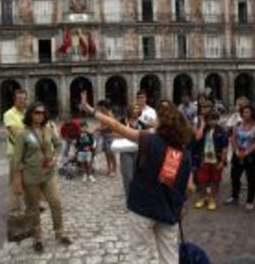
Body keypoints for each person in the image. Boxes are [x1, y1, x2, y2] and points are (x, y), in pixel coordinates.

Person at [80, 91, 193, 264]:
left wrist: (91, 110)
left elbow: (117, 127)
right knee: (169, 256)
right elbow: (189, 188)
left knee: (139, 255)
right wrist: (182, 204)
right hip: (169, 210)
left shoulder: (148, 139)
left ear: (162, 123)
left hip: (142, 207)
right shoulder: (183, 153)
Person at [13, 102, 72, 252]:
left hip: (48, 174)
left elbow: (58, 144)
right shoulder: (23, 134)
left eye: (42, 113)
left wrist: (54, 156)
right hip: (30, 176)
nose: (40, 115)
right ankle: (37, 237)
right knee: (33, 208)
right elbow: (17, 159)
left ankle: (59, 233)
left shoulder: (48, 129)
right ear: (30, 114)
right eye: (36, 113)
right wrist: (17, 182)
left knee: (55, 202)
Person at [226, 103, 255, 212]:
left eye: (247, 112)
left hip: (251, 156)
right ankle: (234, 196)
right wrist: (236, 150)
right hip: (238, 154)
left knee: (251, 179)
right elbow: (233, 137)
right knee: (234, 176)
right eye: (243, 112)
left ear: (252, 113)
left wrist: (247, 152)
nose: (245, 114)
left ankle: (249, 201)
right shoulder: (238, 124)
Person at [194, 111, 228, 211]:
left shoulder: (221, 130)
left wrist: (222, 161)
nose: (213, 121)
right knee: (202, 180)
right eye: (210, 119)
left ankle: (212, 199)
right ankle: (203, 197)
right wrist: (202, 125)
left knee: (215, 181)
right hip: (203, 159)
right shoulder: (204, 129)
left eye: (215, 119)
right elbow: (197, 138)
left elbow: (225, 147)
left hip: (216, 159)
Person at [3, 89, 28, 216]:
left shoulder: (27, 114)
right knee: (16, 182)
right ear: (15, 100)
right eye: (20, 99)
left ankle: (29, 207)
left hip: (29, 153)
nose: (23, 101)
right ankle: (15, 210)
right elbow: (16, 132)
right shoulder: (9, 114)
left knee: (29, 181)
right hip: (15, 153)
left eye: (24, 99)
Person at [119, 104, 146, 198]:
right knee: (128, 175)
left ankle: (138, 195)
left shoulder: (142, 124)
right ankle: (129, 197)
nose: (136, 110)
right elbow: (114, 133)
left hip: (139, 152)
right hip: (126, 151)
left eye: (138, 108)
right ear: (129, 110)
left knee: (139, 175)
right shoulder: (122, 121)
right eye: (134, 108)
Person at [96, 99, 117, 176]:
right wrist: (99, 129)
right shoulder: (103, 114)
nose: (99, 109)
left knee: (111, 153)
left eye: (99, 107)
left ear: (103, 106)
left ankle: (114, 169)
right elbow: (102, 125)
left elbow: (111, 127)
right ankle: (109, 168)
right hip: (104, 136)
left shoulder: (109, 114)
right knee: (106, 153)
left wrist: (100, 129)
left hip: (109, 136)